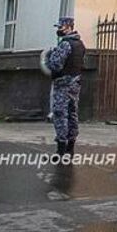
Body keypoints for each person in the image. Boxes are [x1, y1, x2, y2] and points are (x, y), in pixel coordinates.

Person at [44, 17, 85, 160]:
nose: (58, 30)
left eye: (60, 27)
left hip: (63, 84)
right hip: (75, 83)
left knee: (60, 114)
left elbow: (55, 65)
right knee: (72, 113)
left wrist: (49, 57)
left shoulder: (65, 44)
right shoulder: (80, 44)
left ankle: (61, 150)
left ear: (68, 27)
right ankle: (70, 148)